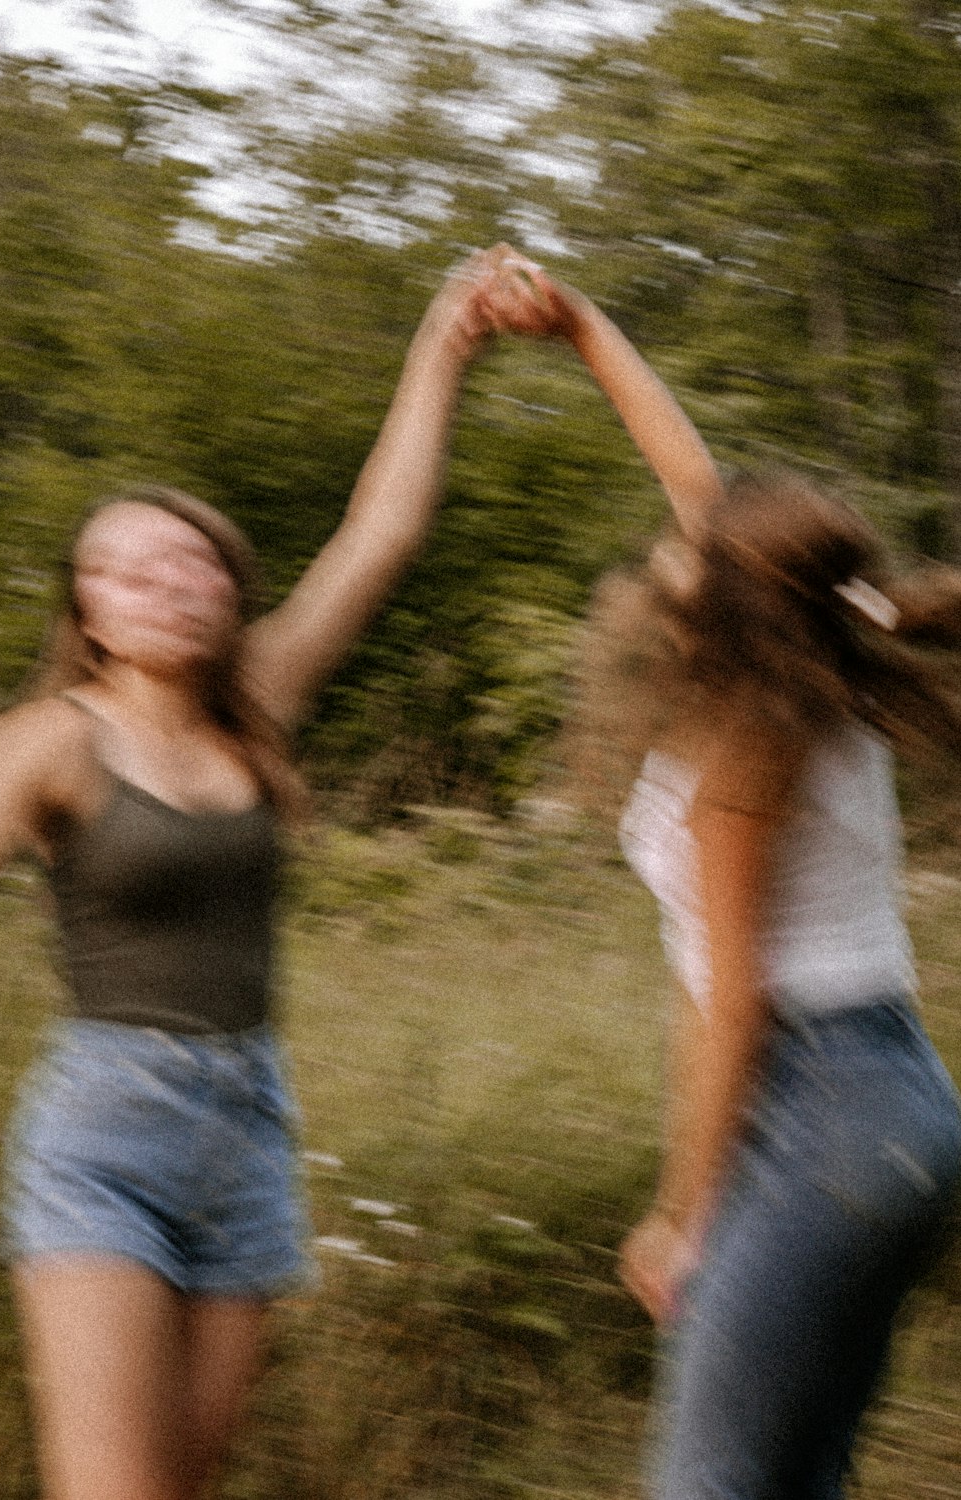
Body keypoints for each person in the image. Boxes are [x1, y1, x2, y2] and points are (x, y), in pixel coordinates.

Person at [0, 245, 549, 1500]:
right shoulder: (50, 740)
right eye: (127, 567)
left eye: (194, 562)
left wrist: (447, 338)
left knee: (185, 1481)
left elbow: (382, 531)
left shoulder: (258, 710)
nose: (168, 582)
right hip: (101, 1134)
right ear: (88, 609)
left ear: (228, 590)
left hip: (251, 1133)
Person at [500, 257, 961, 1498]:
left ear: (725, 595)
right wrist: (584, 327)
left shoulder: (741, 755)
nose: (670, 533)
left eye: (687, 540)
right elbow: (692, 471)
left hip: (819, 1109)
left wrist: (680, 1212)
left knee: (707, 1484)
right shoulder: (806, 669)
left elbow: (731, 1001)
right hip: (893, 1101)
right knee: (796, 1475)